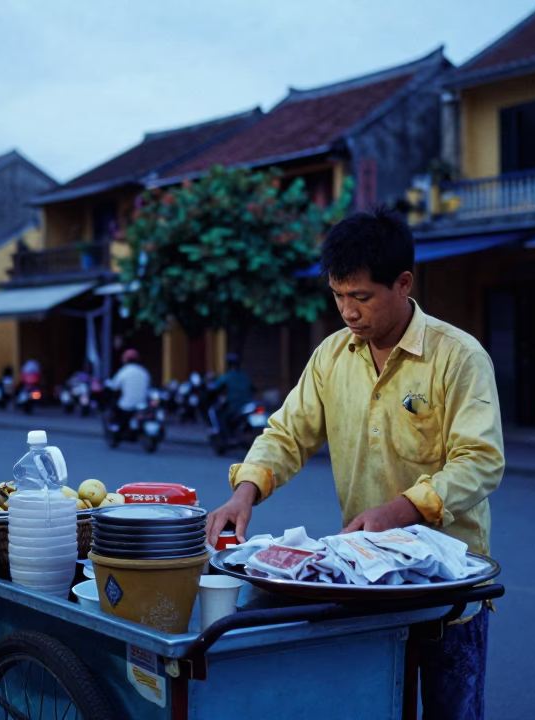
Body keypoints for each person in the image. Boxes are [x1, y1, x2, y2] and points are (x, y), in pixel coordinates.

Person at [205, 209, 505, 720]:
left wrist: (403, 509)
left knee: (449, 712)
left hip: (445, 584)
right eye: (338, 295)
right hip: (363, 574)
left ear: (403, 283)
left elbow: (480, 460)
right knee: (366, 704)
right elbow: (287, 432)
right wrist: (244, 492)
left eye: (361, 297)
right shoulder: (331, 356)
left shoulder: (458, 357)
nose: (347, 311)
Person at [209, 352, 255, 438]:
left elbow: (214, 386)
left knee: (222, 417)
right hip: (248, 404)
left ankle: (227, 437)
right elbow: (253, 388)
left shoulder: (227, 376)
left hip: (235, 405)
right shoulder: (245, 375)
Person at [106, 348, 151, 430]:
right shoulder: (144, 371)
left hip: (127, 405)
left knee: (115, 407)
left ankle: (116, 427)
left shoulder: (124, 371)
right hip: (143, 404)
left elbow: (114, 386)